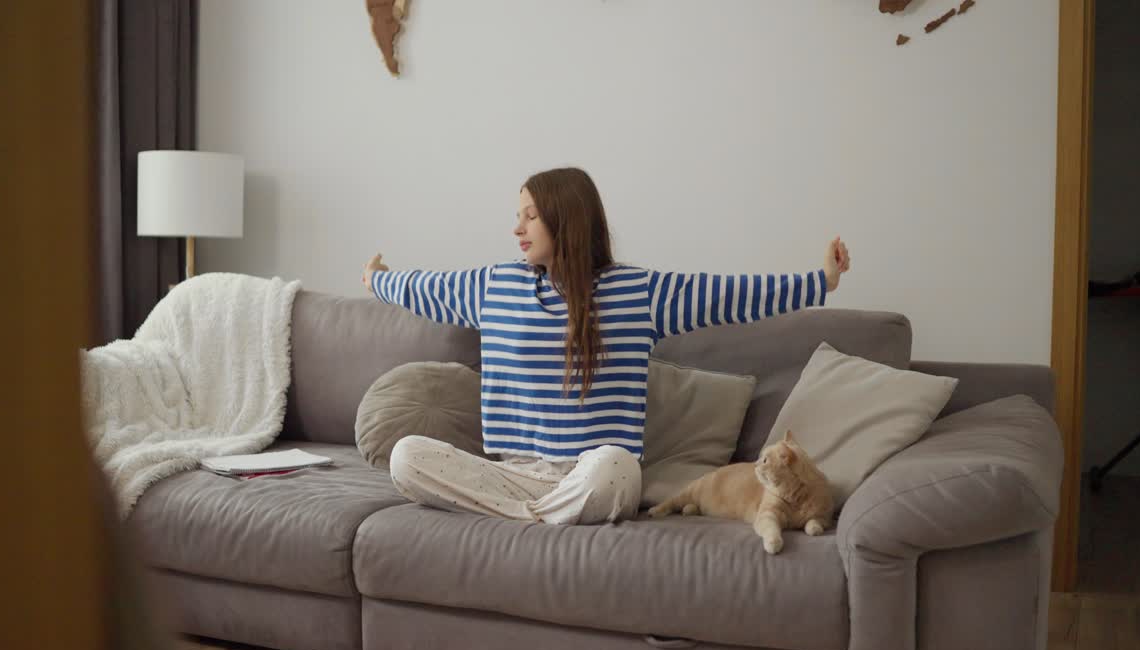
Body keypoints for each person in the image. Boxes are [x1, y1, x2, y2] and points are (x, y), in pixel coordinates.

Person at [362, 167, 851, 526]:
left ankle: (519, 518)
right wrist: (378, 280)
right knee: (406, 456)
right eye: (518, 217)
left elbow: (729, 295)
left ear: (566, 220)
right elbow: (424, 288)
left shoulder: (636, 293)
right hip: (513, 474)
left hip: (592, 476)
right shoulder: (494, 287)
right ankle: (537, 517)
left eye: (530, 216)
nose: (517, 228)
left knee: (615, 467)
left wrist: (819, 281)